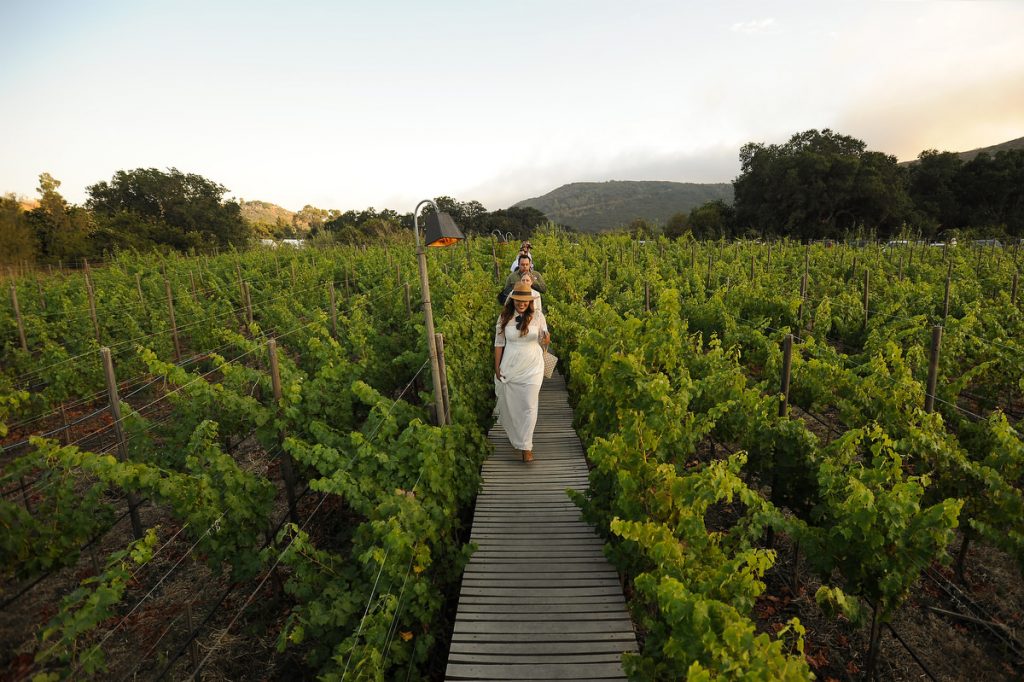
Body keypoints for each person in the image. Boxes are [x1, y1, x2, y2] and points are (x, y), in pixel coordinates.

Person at [494, 280, 550, 462]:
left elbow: (543, 341)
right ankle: (517, 436)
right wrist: (497, 366)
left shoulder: (539, 317)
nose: (522, 304)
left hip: (533, 365)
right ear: (513, 301)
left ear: (530, 302)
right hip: (511, 364)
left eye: (525, 302)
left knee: (529, 404)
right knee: (512, 405)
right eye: (519, 301)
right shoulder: (504, 318)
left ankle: (526, 445)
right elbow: (499, 343)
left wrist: (546, 340)